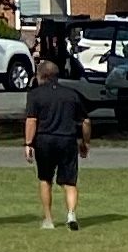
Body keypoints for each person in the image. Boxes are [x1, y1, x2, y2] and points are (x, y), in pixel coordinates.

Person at [26, 51, 91, 229]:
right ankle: (71, 214)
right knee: (70, 181)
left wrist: (28, 143)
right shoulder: (71, 95)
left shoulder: (35, 95)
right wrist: (85, 142)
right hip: (67, 140)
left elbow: (32, 120)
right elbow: (85, 121)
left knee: (45, 178)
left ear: (42, 76)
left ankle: (48, 219)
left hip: (45, 140)